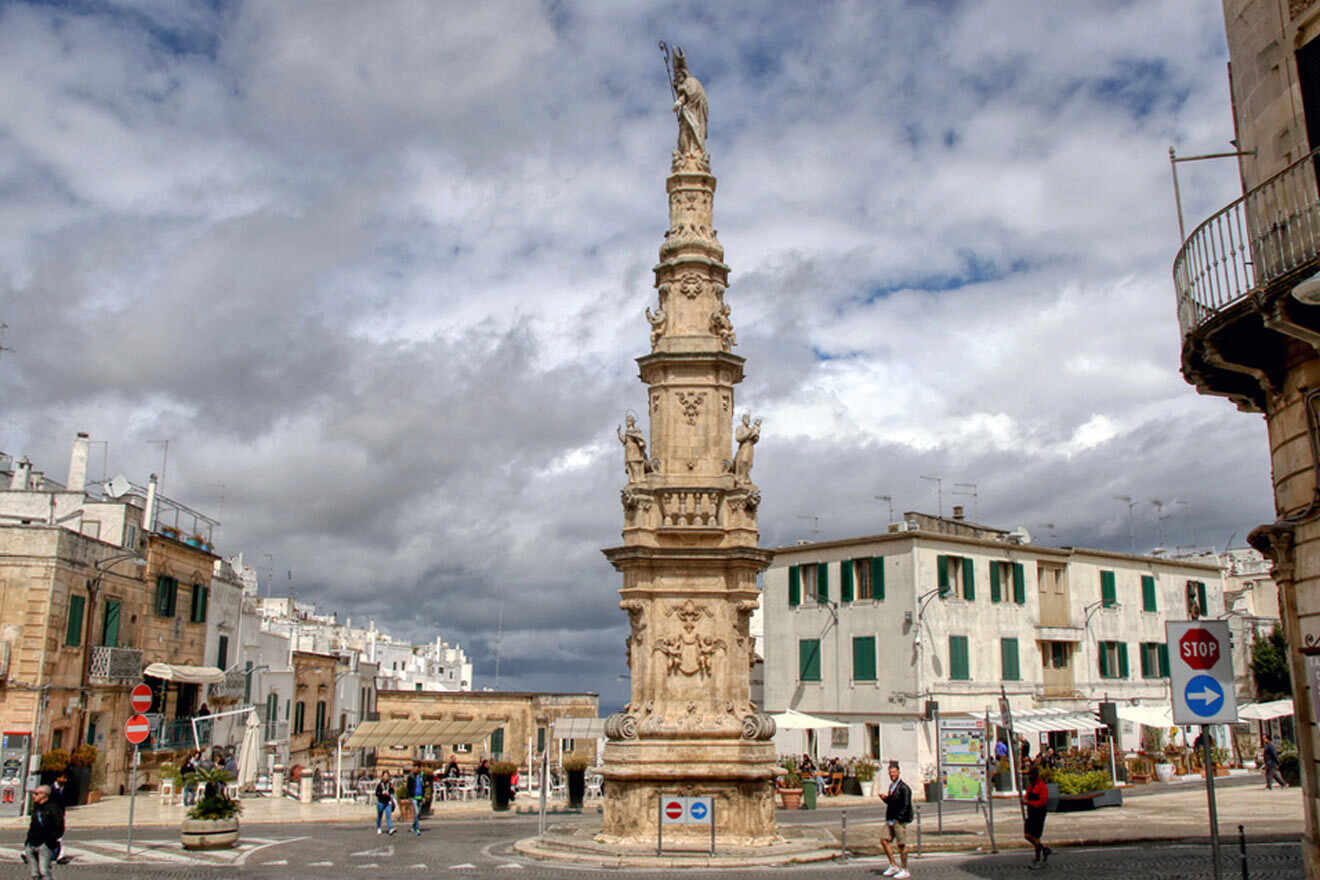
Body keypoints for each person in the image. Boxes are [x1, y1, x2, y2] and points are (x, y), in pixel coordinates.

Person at [878, 762, 912, 879]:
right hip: (890, 819)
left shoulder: (904, 788)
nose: (892, 775)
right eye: (890, 773)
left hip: (899, 820)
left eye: (893, 772)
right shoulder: (892, 786)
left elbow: (906, 805)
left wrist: (900, 818)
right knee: (883, 839)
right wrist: (885, 799)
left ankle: (905, 869)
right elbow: (892, 802)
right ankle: (893, 865)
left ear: (898, 772)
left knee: (901, 845)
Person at [24, 784, 63, 880]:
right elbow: (33, 825)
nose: (34, 796)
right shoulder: (36, 807)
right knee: (34, 874)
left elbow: (59, 827)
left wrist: (49, 841)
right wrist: (27, 842)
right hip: (31, 843)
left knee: (44, 872)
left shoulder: (53, 808)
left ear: (44, 795)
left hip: (44, 845)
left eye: (36, 794)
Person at [1022, 765, 1053, 869]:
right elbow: (1026, 796)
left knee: (1036, 836)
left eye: (1030, 775)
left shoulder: (1042, 786)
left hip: (1039, 813)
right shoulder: (1031, 786)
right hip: (1030, 813)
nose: (1029, 777)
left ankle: (1038, 857)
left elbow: (1043, 802)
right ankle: (1044, 850)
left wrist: (1029, 803)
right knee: (1027, 835)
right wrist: (1025, 801)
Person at [374, 771, 397, 835]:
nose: (386, 777)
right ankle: (379, 827)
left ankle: (390, 828)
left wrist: (389, 793)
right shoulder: (380, 785)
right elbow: (376, 793)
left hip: (388, 802)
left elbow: (392, 792)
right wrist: (382, 793)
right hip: (381, 802)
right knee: (380, 815)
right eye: (384, 776)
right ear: (382, 776)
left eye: (387, 776)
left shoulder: (390, 784)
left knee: (388, 816)